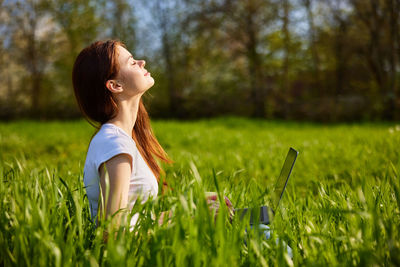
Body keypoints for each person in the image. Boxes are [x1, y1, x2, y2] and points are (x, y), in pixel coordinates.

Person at [72, 40, 232, 237]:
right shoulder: (115, 145)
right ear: (115, 85)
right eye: (131, 62)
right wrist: (192, 221)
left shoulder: (120, 140)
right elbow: (112, 235)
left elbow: (133, 221)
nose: (142, 62)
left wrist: (188, 208)